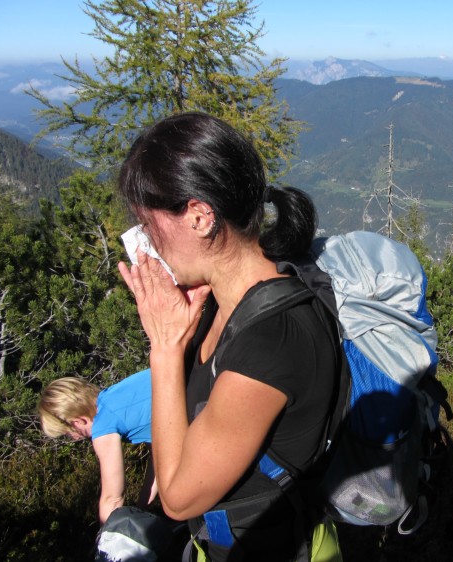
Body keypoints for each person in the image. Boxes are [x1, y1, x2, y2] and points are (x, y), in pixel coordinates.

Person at [116, 112, 342, 562]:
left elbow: (179, 498)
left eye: (149, 224)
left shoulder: (271, 341)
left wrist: (165, 348)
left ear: (199, 216)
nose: (146, 242)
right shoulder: (220, 304)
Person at [38, 369, 156, 524]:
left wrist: (106, 534)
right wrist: (140, 510)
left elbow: (112, 499)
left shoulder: (103, 428)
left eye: (67, 433)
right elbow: (160, 460)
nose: (72, 438)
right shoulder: (113, 396)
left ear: (77, 421)